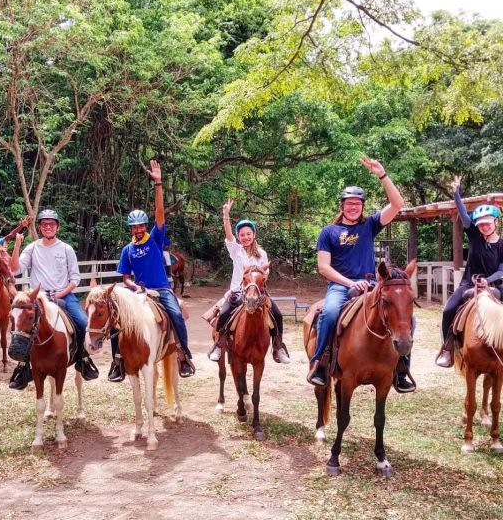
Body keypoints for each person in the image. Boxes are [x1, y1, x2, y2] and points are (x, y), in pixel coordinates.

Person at [306, 157, 415, 392]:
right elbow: (324, 267)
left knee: (408, 318)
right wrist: (350, 283)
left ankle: (402, 368)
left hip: (372, 286)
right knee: (330, 312)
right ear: (341, 206)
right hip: (340, 286)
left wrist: (382, 175)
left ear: (362, 206)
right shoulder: (328, 232)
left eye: (357, 203)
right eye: (349, 203)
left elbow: (397, 204)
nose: (353, 207)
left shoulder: (370, 225)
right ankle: (321, 364)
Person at [107, 159, 195, 382]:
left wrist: (158, 184)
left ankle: (184, 355)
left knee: (176, 315)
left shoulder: (155, 240)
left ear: (145, 226)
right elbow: (125, 277)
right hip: (139, 291)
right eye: (134, 227)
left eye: (140, 226)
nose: (137, 229)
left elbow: (160, 212)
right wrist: (134, 286)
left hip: (161, 289)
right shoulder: (127, 249)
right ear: (131, 228)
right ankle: (117, 361)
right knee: (116, 319)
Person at [8, 209, 99, 389]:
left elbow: (75, 279)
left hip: (64, 294)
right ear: (40, 227)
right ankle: (23, 367)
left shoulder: (66, 249)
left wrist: (60, 294)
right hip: (38, 298)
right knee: (23, 326)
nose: (48, 227)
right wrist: (17, 245)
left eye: (51, 224)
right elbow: (15, 269)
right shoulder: (32, 247)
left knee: (81, 322)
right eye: (44, 224)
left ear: (57, 227)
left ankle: (82, 359)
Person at [207, 198, 291, 364]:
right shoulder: (235, 250)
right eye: (242, 235)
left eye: (248, 234)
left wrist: (263, 277)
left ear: (254, 235)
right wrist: (226, 215)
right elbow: (228, 234)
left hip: (258, 294)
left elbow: (265, 275)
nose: (245, 237)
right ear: (238, 237)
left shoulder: (262, 253)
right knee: (224, 313)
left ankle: (278, 346)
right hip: (239, 292)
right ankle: (219, 344)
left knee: (278, 315)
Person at [436, 175, 503, 367]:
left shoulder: (502, 245)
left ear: (496, 223)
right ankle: (448, 347)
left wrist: (488, 281)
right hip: (469, 282)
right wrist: (456, 193)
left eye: (487, 223)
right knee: (448, 309)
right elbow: (464, 215)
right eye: (481, 223)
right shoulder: (474, 235)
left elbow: (501, 270)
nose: (483, 226)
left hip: (496, 285)